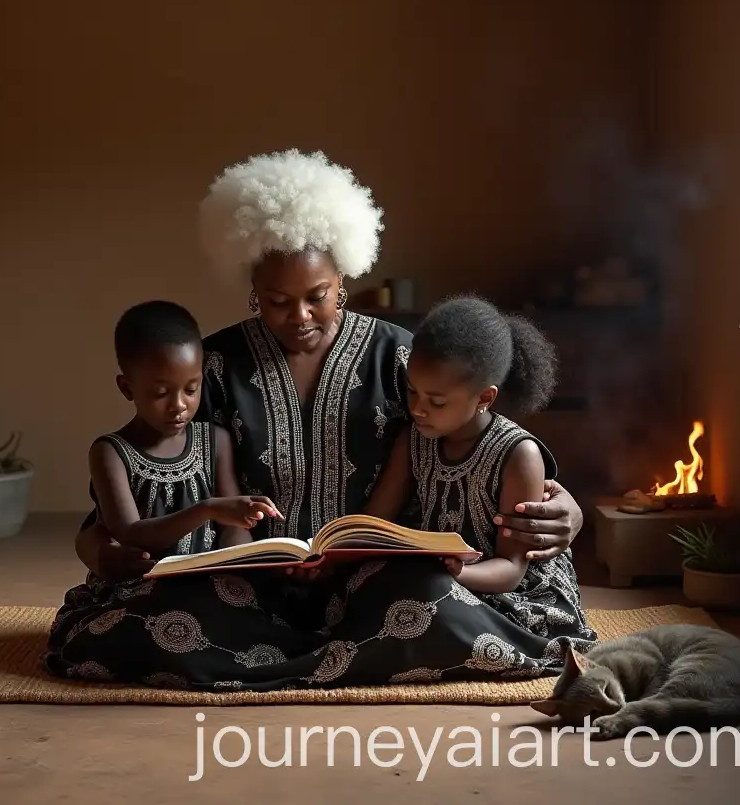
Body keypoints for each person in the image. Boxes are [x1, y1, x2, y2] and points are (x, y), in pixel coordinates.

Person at [64, 149, 588, 688]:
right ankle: (343, 659)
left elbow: (486, 442)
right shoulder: (213, 366)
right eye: (276, 301)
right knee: (170, 618)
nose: (300, 317)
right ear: (253, 294)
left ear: (344, 279)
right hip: (248, 586)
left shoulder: (401, 358)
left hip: (373, 582)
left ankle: (285, 661)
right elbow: (140, 485)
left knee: (422, 600)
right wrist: (96, 547)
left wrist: (565, 506)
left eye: (318, 297)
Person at [44, 300, 290, 681]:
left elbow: (233, 527)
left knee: (255, 620)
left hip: (204, 589)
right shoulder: (111, 452)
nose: (179, 405)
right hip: (138, 592)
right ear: (127, 387)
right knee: (139, 630)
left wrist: (231, 557)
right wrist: (206, 510)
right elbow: (129, 531)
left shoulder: (216, 440)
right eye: (161, 393)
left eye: (191, 389)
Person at [362, 294, 597, 670]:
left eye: (436, 402)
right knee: (370, 592)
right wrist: (334, 551)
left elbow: (513, 567)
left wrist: (459, 574)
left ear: (484, 398)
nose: (418, 408)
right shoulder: (414, 436)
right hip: (438, 576)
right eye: (412, 391)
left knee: (426, 604)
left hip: (509, 590)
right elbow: (376, 520)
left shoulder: (518, 455)